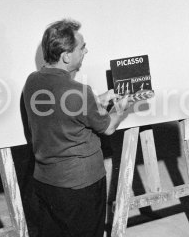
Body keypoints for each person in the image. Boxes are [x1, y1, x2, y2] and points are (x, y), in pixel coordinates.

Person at [22, 19, 135, 237]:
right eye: (81, 48)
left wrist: (100, 99)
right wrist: (120, 109)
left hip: (46, 182)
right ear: (66, 56)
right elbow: (108, 127)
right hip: (81, 186)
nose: (86, 51)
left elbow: (62, 109)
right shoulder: (79, 92)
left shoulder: (32, 82)